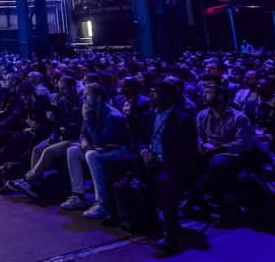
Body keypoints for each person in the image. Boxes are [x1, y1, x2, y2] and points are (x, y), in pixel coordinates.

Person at [134, 81, 197, 252]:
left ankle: (171, 235)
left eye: (155, 93)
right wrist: (144, 152)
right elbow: (140, 139)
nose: (150, 96)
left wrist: (159, 157)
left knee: (165, 183)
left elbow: (188, 150)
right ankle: (133, 219)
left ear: (168, 97)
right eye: (151, 92)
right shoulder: (148, 115)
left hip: (171, 162)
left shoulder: (183, 119)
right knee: (117, 167)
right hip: (148, 156)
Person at [184, 82, 259, 217]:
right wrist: (201, 146)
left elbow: (244, 143)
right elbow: (198, 135)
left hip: (232, 154)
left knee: (218, 162)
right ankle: (202, 198)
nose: (203, 95)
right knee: (186, 158)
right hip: (208, 150)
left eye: (208, 93)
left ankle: (194, 198)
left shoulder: (239, 117)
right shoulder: (202, 114)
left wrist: (219, 149)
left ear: (219, 97)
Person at [60, 83, 131, 220]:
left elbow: (100, 141)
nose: (83, 96)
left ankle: (102, 204)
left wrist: (87, 120)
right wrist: (84, 142)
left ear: (98, 98)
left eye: (87, 94)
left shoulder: (112, 116)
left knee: (91, 155)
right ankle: (79, 196)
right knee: (73, 151)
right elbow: (82, 134)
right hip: (101, 147)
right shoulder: (90, 109)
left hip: (120, 149)